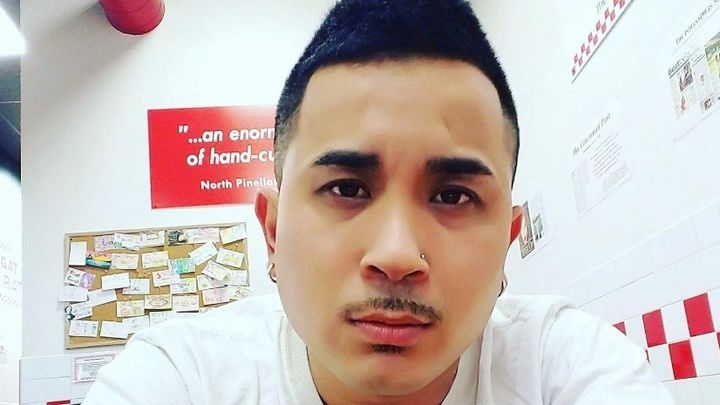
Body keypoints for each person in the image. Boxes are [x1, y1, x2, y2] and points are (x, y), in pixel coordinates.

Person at [84, 0, 673, 404]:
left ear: (507, 243)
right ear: (273, 230)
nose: (397, 256)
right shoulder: (183, 378)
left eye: (453, 195)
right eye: (347, 189)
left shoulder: (562, 367)